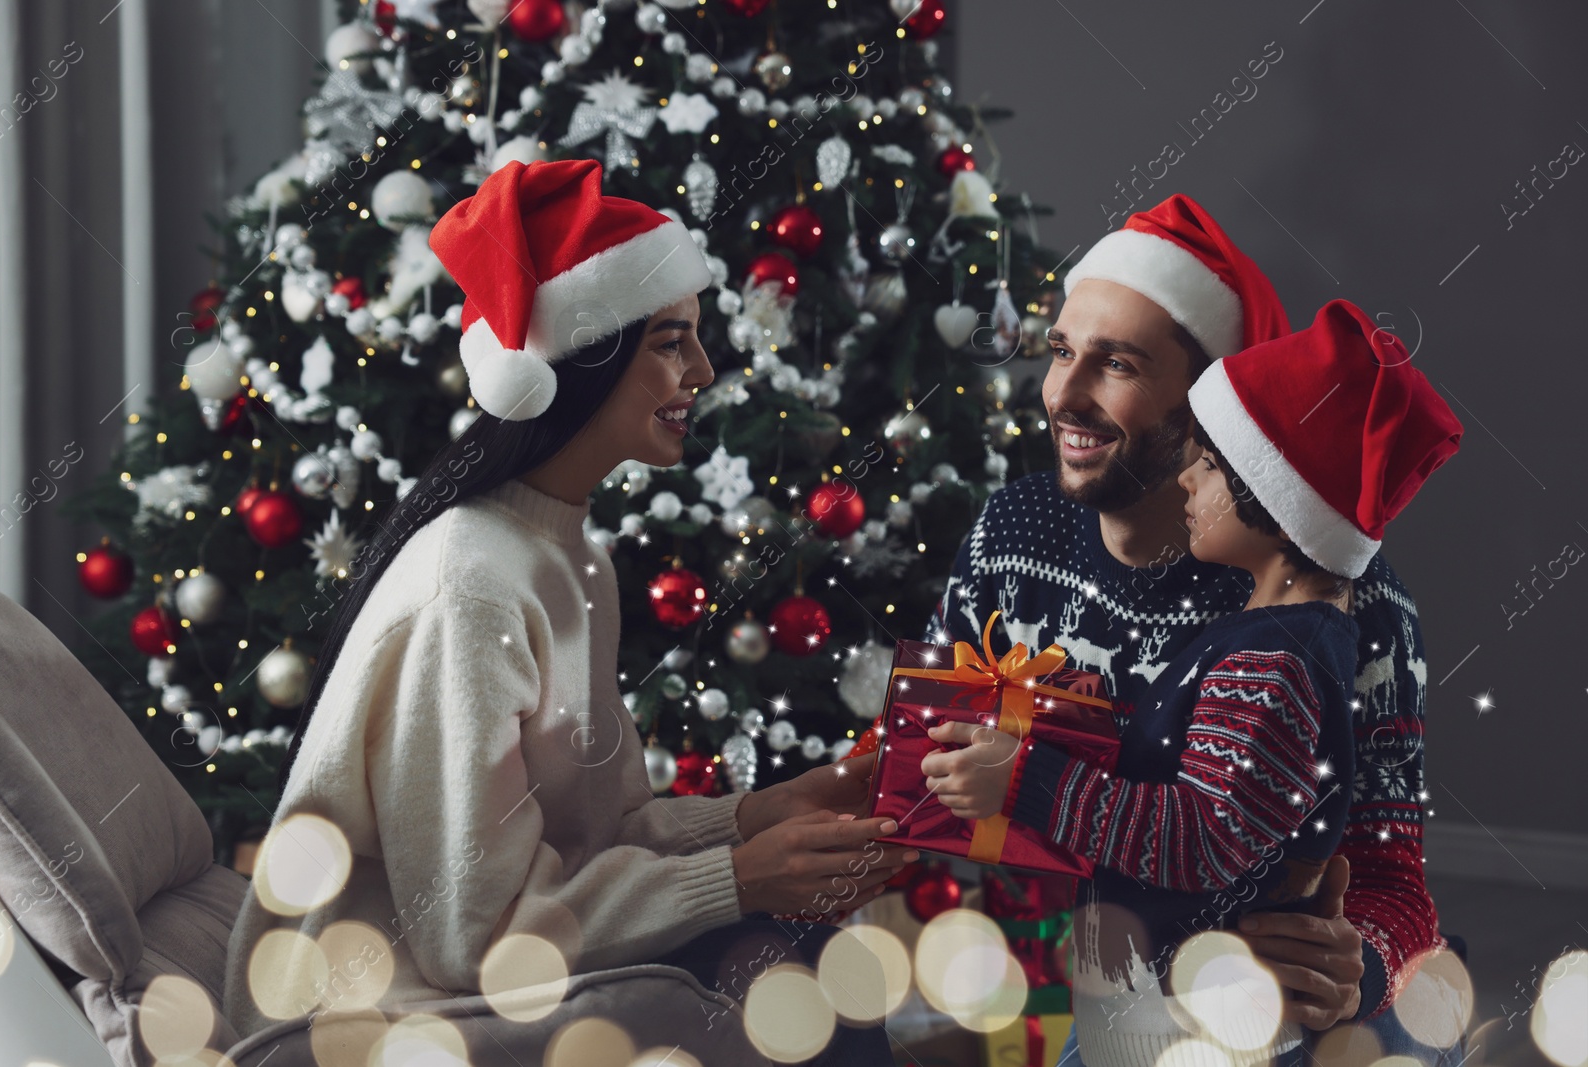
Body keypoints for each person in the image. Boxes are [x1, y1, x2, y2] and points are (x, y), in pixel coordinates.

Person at [221, 159, 906, 1062]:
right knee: (791, 973)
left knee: (808, 965)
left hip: (481, 968)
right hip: (375, 1006)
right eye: (669, 341)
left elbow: (595, 836)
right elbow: (474, 932)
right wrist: (735, 880)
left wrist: (756, 816)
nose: (703, 368)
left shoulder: (568, 554)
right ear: (583, 360)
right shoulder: (471, 584)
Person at [927, 195, 1463, 1063]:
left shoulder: (1352, 609)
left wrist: (1359, 962)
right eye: (1062, 351)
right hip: (1083, 970)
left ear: (1210, 397)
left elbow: (1394, 874)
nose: (1062, 393)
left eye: (1119, 365)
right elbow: (932, 759)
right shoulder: (1009, 536)